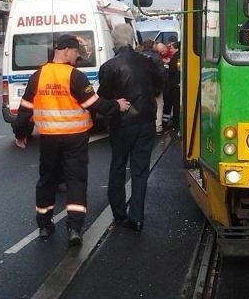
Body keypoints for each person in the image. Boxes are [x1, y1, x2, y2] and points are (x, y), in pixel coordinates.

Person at [13, 34, 130, 247]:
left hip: (49, 138)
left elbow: (25, 109)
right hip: (75, 138)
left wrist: (20, 134)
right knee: (75, 181)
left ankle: (44, 225)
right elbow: (92, 103)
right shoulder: (75, 76)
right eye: (76, 52)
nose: (77, 57)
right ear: (66, 50)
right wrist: (116, 105)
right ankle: (74, 229)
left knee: (47, 180)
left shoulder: (38, 76)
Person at [98, 24, 165, 232]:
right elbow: (160, 83)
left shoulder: (110, 67)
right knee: (140, 171)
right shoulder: (148, 62)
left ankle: (119, 213)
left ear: (114, 42)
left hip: (122, 123)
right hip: (146, 121)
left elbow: (104, 98)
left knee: (118, 167)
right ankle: (137, 217)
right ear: (132, 40)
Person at [140, 39, 167, 133]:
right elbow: (162, 72)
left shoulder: (138, 56)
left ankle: (146, 125)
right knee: (159, 105)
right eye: (155, 44)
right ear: (152, 46)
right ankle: (157, 126)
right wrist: (162, 84)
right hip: (155, 86)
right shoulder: (156, 57)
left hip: (142, 87)